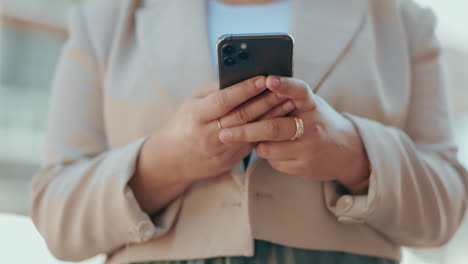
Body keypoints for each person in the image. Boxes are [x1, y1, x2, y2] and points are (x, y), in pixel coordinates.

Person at [30, 0, 468, 263]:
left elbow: (445, 210)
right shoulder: (104, 19)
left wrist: (353, 153)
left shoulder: (401, 20)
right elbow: (56, 217)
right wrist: (167, 162)